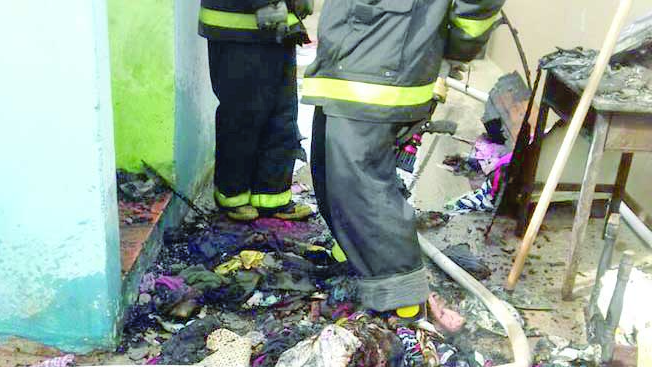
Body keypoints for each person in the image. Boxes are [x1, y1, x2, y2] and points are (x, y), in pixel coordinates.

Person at [303, 0, 505, 320]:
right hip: (349, 55)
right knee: (331, 171)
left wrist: (455, 46)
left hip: (387, 59)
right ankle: (356, 253)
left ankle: (400, 293)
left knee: (360, 182)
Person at [199, 0, 315, 221]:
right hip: (238, 29)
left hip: (278, 26)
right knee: (243, 116)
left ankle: (272, 197)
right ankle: (233, 196)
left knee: (281, 115)